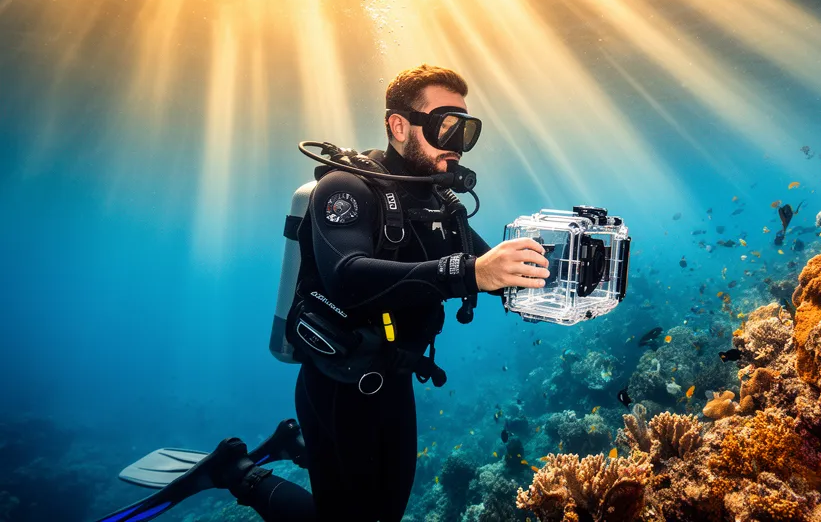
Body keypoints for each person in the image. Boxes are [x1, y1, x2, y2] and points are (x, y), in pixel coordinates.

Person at [97, 65, 552, 522]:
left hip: (394, 376)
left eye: (466, 131)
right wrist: (469, 272)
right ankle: (236, 472)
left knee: (386, 514)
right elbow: (347, 277)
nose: (457, 144)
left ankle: (299, 447)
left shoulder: (439, 205)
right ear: (399, 126)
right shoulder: (346, 188)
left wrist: (564, 279)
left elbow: (494, 272)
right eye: (445, 126)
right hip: (340, 383)